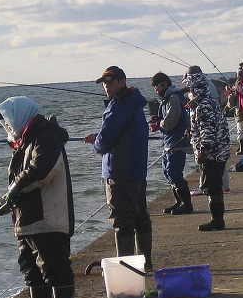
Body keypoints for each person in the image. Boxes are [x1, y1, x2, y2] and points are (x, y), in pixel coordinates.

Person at [0, 96, 77, 298]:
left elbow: (41, 171)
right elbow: (19, 185)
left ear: (19, 115)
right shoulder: (25, 141)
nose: (7, 127)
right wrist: (3, 203)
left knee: (55, 267)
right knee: (30, 268)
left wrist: (13, 192)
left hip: (48, 218)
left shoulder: (45, 137)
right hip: (27, 220)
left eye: (8, 121)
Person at [85, 66, 153, 267]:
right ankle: (145, 262)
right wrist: (99, 139)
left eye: (111, 81)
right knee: (140, 216)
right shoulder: (134, 104)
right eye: (104, 82)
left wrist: (96, 142)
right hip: (137, 170)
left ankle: (126, 266)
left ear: (122, 81)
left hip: (119, 172)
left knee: (122, 220)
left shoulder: (119, 107)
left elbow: (105, 140)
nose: (106, 86)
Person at [183, 66, 231, 231]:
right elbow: (207, 125)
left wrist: (202, 150)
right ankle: (217, 220)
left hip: (214, 152)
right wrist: (193, 132)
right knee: (214, 185)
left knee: (213, 186)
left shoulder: (202, 104)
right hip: (219, 149)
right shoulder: (208, 100)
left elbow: (208, 130)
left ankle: (217, 220)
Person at [150, 72, 194, 215]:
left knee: (174, 172)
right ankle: (179, 202)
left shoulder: (173, 98)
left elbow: (170, 123)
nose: (155, 90)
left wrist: (159, 123)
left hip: (177, 142)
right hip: (169, 142)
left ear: (164, 84)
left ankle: (187, 204)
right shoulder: (168, 98)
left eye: (156, 86)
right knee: (167, 172)